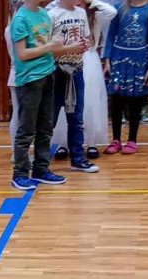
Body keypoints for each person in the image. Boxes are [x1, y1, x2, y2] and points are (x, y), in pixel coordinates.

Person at [10, 0, 67, 190]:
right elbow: (22, 54)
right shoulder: (20, 19)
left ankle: (41, 170)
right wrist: (50, 46)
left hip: (48, 74)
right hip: (30, 80)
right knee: (26, 129)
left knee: (46, 127)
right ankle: (20, 174)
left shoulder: (43, 14)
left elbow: (47, 45)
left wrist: (61, 45)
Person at [50, 0, 117, 160]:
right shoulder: (59, 13)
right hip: (66, 58)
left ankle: (91, 143)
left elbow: (112, 12)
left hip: (90, 60)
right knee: (66, 102)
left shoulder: (95, 15)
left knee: (90, 103)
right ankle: (63, 144)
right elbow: (49, 9)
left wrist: (91, 1)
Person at [47, 0, 99, 173]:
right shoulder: (51, 15)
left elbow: (85, 39)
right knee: (50, 118)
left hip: (76, 71)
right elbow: (47, 49)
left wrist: (83, 46)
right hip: (56, 71)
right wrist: (69, 48)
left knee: (76, 117)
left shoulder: (81, 13)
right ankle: (41, 161)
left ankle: (77, 159)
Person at [103, 0, 148, 155]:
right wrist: (107, 60)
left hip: (139, 61)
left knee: (135, 101)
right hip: (119, 59)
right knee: (116, 100)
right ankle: (116, 139)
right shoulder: (119, 8)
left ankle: (132, 140)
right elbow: (111, 35)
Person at [6, 0, 26, 163]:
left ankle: (17, 151)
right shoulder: (17, 27)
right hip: (22, 74)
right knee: (20, 116)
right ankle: (18, 152)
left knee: (18, 115)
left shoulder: (9, 28)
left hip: (16, 74)